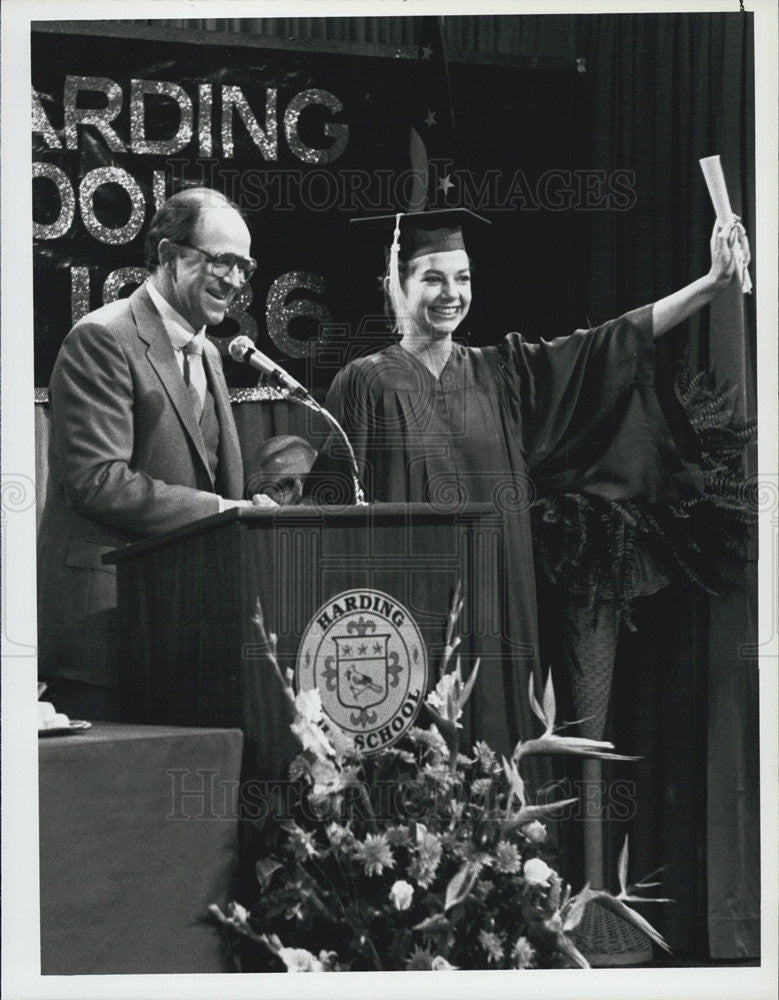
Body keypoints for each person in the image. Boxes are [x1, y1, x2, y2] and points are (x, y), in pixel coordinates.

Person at [307, 208, 748, 769]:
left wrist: (709, 285)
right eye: (433, 278)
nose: (452, 293)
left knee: (495, 771)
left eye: (463, 277)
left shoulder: (503, 375)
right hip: (404, 621)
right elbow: (332, 503)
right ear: (396, 283)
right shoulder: (365, 383)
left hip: (497, 616)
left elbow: (604, 347)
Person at [37, 187, 275, 720]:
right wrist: (221, 513)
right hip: (102, 635)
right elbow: (98, 480)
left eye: (245, 266)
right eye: (222, 261)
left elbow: (206, 476)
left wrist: (247, 507)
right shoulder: (102, 338)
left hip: (182, 634)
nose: (236, 280)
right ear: (169, 256)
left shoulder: (210, 352)